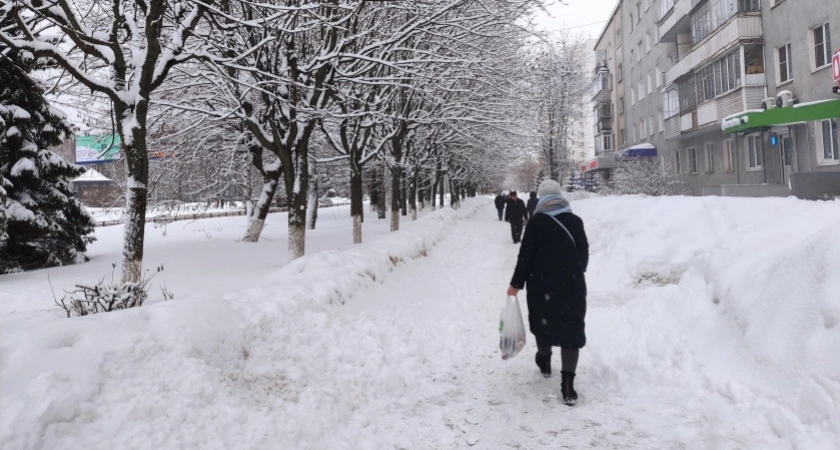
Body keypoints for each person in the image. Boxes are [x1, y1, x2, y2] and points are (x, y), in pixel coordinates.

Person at [506, 179, 589, 406]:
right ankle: (568, 386)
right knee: (571, 330)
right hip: (571, 285)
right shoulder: (575, 221)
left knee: (544, 324)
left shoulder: (536, 223)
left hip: (541, 285)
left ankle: (544, 360)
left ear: (541, 198)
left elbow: (525, 258)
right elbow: (583, 255)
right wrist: (572, 272)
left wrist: (515, 284)